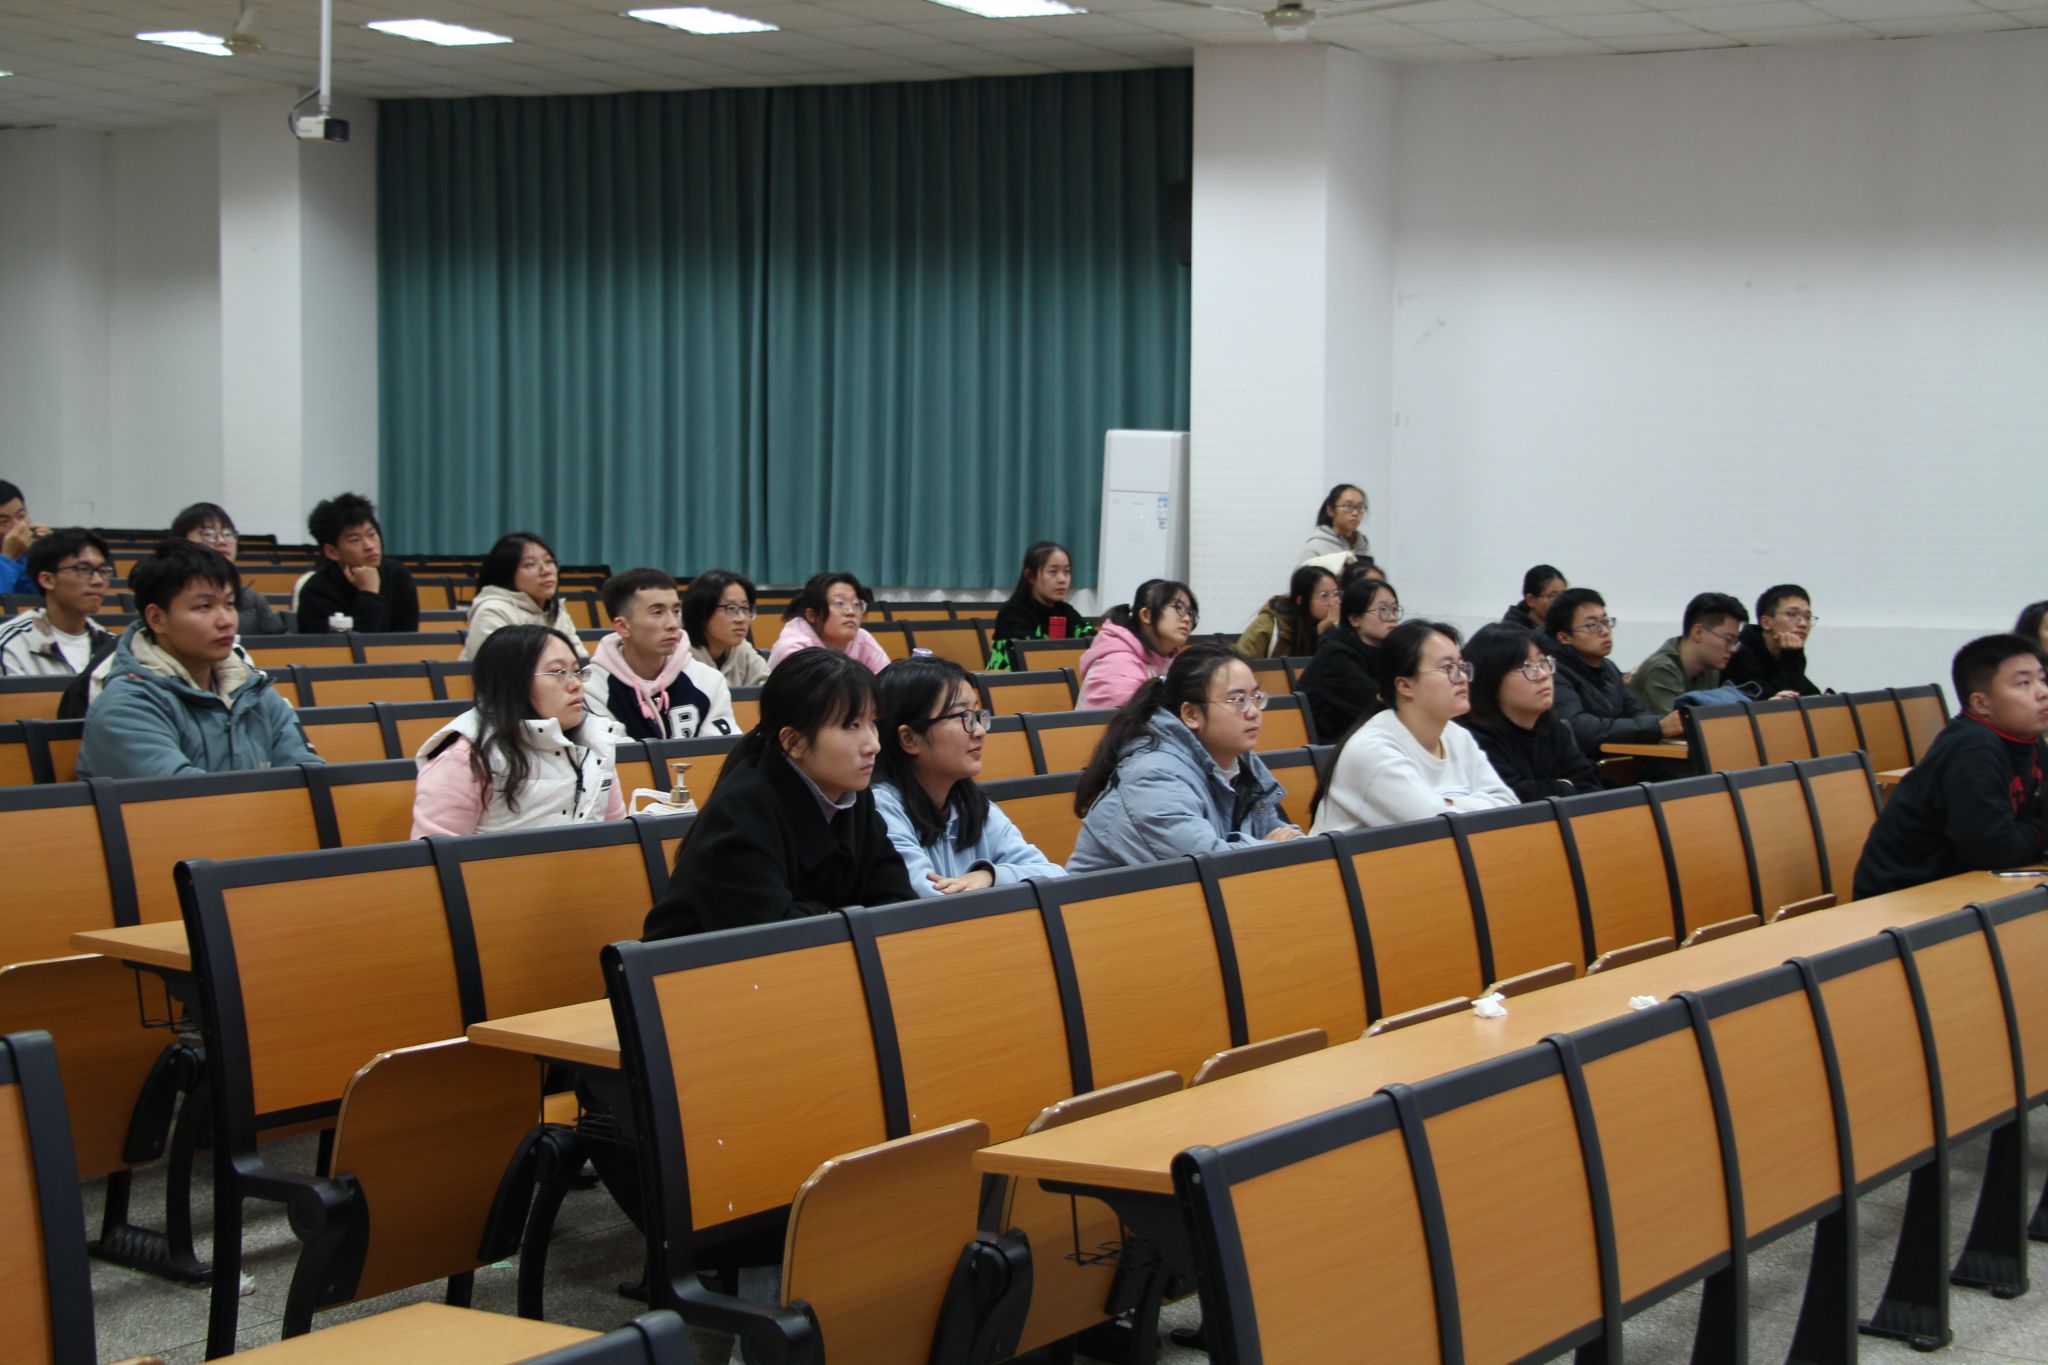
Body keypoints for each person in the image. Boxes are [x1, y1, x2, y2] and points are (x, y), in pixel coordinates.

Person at [644, 648, 915, 939]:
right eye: (851, 725)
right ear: (793, 742)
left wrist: (829, 914)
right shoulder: (742, 811)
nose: (873, 745)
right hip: (692, 964)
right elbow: (774, 934)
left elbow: (897, 901)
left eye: (873, 723)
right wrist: (848, 914)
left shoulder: (852, 794)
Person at [76, 539, 318, 779]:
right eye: (204, 606)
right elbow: (189, 798)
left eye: (230, 604)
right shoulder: (125, 708)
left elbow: (309, 775)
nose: (226, 621)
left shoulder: (255, 692)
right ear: (157, 619)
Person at [1068, 646, 1299, 872]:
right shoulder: (1152, 777)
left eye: (1256, 697)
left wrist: (1287, 844)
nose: (1254, 711)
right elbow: (1212, 866)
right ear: (1191, 714)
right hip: (1115, 899)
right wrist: (1272, 847)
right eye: (1238, 700)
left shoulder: (1239, 762)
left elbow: (1282, 834)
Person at [1853, 634, 2048, 899]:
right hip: (1902, 898)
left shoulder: (2030, 741)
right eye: (2023, 683)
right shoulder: (1974, 747)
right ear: (1980, 703)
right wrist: (2041, 830)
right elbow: (1995, 850)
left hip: (1963, 888)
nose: (2042, 692)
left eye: (2042, 679)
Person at [871, 657, 1066, 894]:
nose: (979, 731)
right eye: (962, 716)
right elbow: (927, 898)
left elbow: (1055, 875)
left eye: (976, 715)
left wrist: (989, 875)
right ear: (909, 739)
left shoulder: (971, 805)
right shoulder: (880, 809)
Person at [411, 625, 626, 837]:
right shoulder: (465, 759)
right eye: (558, 672)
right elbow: (439, 855)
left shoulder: (595, 743)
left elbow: (618, 839)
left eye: (577, 671)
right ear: (512, 681)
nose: (576, 684)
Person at [1309, 621, 1517, 833]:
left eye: (1462, 666)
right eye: (1448, 668)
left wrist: (1449, 803)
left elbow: (1510, 807)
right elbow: (1437, 830)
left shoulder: (1457, 736)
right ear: (1405, 685)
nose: (1462, 677)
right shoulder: (1374, 750)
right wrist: (1471, 802)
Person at [581, 569, 737, 742]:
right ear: (623, 627)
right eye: (657, 612)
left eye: (676, 611)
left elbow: (720, 751)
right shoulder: (592, 688)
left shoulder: (708, 681)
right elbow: (612, 755)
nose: (673, 624)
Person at [1457, 624, 1600, 801]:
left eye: (1543, 662)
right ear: (1491, 680)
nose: (1543, 675)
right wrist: (1565, 787)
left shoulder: (1553, 729)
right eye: (1527, 667)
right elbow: (1513, 798)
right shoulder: (1475, 738)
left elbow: (1591, 788)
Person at [1545, 588, 1683, 760]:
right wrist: (1656, 727)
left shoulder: (1608, 667)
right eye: (1591, 625)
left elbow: (1636, 711)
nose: (1605, 631)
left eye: (1606, 621)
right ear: (1564, 637)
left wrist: (1666, 725)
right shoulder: (1554, 673)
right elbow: (1579, 728)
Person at [298, 492, 420, 636]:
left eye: (371, 534)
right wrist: (369, 593)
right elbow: (347, 646)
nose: (369, 546)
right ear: (331, 551)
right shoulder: (316, 592)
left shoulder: (397, 575)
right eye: (355, 540)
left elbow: (407, 640)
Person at [0, 528, 116, 678]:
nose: (98, 581)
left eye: (103, 571)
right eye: (83, 569)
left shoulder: (113, 644)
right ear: (47, 580)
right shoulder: (10, 644)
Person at [1295, 577, 1399, 741]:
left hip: (1363, 738)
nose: (1392, 617)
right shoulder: (1335, 655)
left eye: (1394, 609)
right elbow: (1376, 705)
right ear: (1355, 619)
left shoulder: (1387, 652)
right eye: (1383, 610)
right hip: (1325, 746)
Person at [1075, 579, 1197, 711]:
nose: (1187, 619)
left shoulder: (1171, 660)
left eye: (1189, 612)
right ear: (1146, 615)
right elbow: (1123, 721)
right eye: (1178, 608)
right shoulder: (1117, 665)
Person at [170, 502, 290, 637]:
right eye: (208, 534)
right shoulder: (171, 592)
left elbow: (283, 643)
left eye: (227, 533)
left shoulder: (251, 599)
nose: (222, 541)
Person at [462, 532, 585, 661]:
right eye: (530, 564)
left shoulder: (555, 609)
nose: (546, 571)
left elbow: (579, 660)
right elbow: (499, 670)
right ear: (506, 573)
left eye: (548, 561)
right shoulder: (492, 612)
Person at [1626, 592, 1749, 712]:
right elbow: (1681, 723)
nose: (1733, 649)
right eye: (1728, 640)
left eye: (1735, 642)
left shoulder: (1710, 668)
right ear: (1698, 632)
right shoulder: (1661, 671)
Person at [988, 541, 1093, 670]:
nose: (1062, 579)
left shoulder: (1065, 611)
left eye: (1066, 572)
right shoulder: (1012, 614)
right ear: (1030, 576)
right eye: (1053, 572)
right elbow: (1035, 658)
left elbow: (1094, 640)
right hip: (1011, 680)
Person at [765, 571, 891, 674]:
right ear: (812, 615)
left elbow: (887, 684)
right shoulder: (794, 649)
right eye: (839, 603)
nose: (851, 612)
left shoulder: (862, 639)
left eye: (856, 604)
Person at [1725, 584, 1821, 698]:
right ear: (1766, 623)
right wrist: (1792, 657)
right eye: (1791, 614)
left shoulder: (1786, 655)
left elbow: (1809, 693)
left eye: (1807, 617)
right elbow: (1781, 701)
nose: (1803, 624)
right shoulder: (1738, 654)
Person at [681, 569, 770, 688]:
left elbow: (770, 687)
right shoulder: (681, 656)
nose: (742, 618)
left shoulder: (742, 649)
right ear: (702, 612)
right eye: (731, 608)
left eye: (745, 608)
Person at [1235, 564, 1339, 661]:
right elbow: (1238, 663)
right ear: (1301, 601)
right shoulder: (1270, 624)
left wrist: (1322, 633)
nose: (1333, 601)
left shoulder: (1337, 625)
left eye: (1336, 594)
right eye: (1324, 595)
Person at [1298, 484, 1369, 565]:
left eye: (1360, 507)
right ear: (1330, 510)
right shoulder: (1316, 547)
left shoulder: (1363, 546)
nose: (1355, 513)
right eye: (1348, 506)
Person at [0, 480, 49, 595]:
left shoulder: (27, 559)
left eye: (21, 516)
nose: (19, 526)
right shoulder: (11, 560)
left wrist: (51, 552)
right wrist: (8, 559)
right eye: (4, 521)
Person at [1502, 564, 1566, 632]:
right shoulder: (1512, 633)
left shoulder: (1566, 626)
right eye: (1553, 596)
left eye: (1564, 595)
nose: (1561, 602)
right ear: (1530, 600)